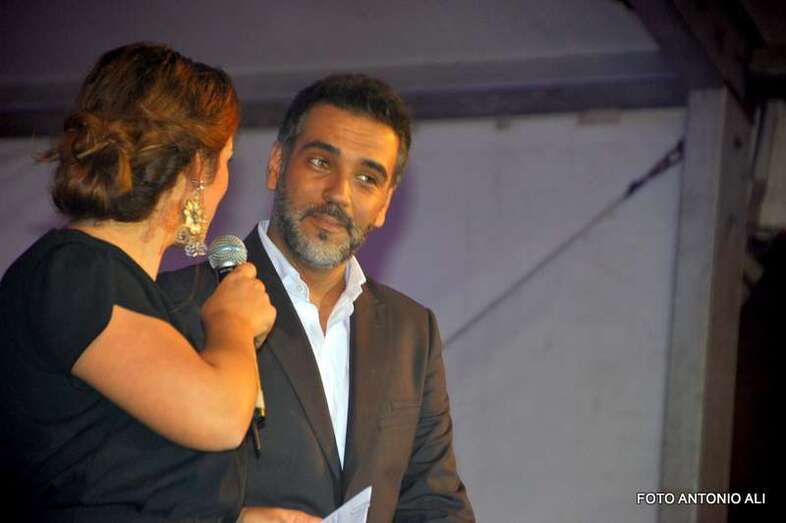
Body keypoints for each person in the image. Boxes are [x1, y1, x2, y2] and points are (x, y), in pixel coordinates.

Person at [159, 74, 475, 522]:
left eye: (366, 178)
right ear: (276, 165)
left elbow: (435, 504)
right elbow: (117, 493)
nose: (338, 195)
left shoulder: (411, 331)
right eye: (321, 163)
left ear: (385, 205)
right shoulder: (182, 303)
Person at [0, 43, 276, 522]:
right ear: (198, 167)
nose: (227, 179)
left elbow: (119, 479)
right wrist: (233, 322)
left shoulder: (131, 293)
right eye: (227, 159)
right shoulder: (74, 274)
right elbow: (218, 417)